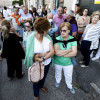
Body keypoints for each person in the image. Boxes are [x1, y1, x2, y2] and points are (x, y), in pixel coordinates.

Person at [24, 17, 54, 100]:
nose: (48, 30)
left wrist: (41, 57)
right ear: (42, 30)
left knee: (43, 77)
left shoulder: (47, 37)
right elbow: (29, 54)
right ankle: (36, 95)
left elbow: (52, 52)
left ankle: (41, 86)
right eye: (47, 29)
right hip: (36, 65)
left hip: (46, 63)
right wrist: (43, 54)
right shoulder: (31, 38)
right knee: (36, 80)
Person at [54, 22, 77, 94]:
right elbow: (57, 52)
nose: (62, 32)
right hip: (57, 62)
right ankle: (58, 81)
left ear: (69, 31)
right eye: (61, 30)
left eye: (64, 30)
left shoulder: (72, 39)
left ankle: (69, 86)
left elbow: (75, 53)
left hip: (68, 63)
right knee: (58, 73)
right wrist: (69, 50)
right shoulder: (57, 38)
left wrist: (63, 54)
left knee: (69, 76)